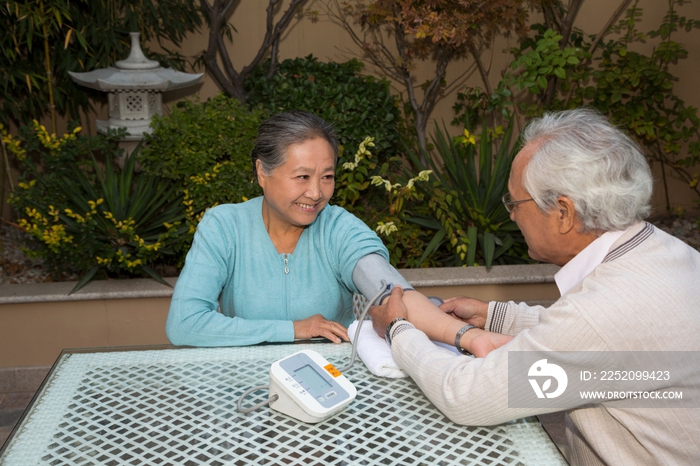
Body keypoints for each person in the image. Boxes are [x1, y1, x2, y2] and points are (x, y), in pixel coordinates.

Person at [370, 108, 700, 465]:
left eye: (515, 202)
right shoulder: (665, 252)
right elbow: (605, 342)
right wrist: (496, 316)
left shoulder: (603, 310)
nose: (511, 215)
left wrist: (398, 330)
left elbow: (465, 395)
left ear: (563, 212)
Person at [166, 110, 411, 347]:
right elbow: (184, 323)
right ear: (262, 172)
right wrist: (293, 330)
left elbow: (394, 292)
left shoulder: (338, 228)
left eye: (327, 177)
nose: (316, 193)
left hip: (331, 381)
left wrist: (440, 323)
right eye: (302, 177)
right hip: (246, 383)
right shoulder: (224, 227)